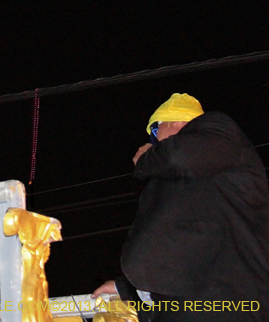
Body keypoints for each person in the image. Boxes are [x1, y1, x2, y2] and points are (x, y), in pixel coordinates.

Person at [93, 93, 269, 321]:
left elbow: (177, 156)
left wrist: (146, 158)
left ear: (173, 122)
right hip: (187, 302)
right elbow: (177, 238)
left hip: (224, 302)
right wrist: (125, 287)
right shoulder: (193, 180)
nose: (153, 143)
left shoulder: (217, 130)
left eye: (154, 134)